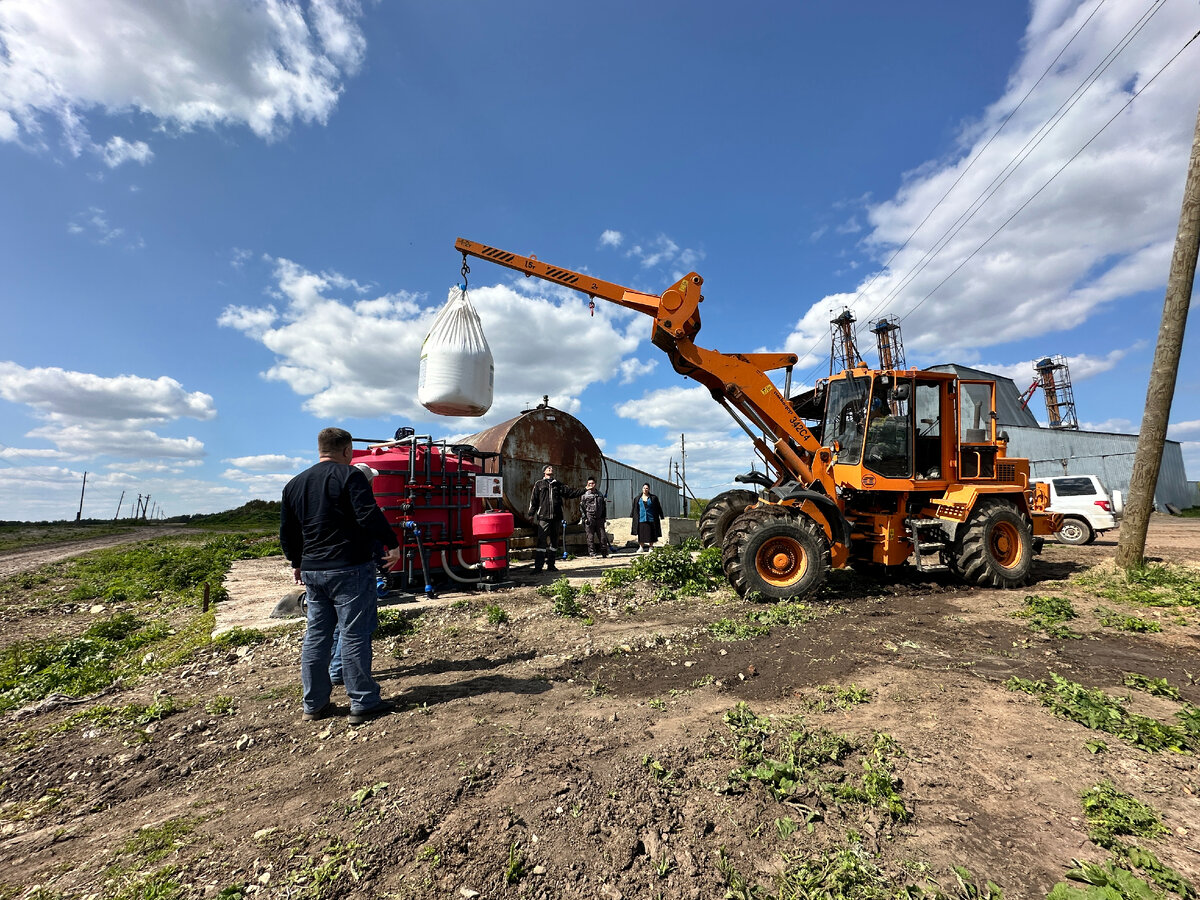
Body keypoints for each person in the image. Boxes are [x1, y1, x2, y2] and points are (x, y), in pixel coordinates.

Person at [281, 428, 401, 726]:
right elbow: (368, 514)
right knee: (354, 633)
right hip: (349, 567)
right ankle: (363, 701)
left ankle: (314, 704)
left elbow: (288, 532)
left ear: (319, 448)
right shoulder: (350, 476)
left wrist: (297, 561)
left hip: (312, 570)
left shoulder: (294, 484)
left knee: (317, 635)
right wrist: (393, 543)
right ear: (347, 450)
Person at [526, 464, 583, 572]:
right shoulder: (539, 484)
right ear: (544, 471)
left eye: (551, 468)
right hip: (544, 517)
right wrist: (531, 514)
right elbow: (534, 501)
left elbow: (570, 493)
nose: (550, 469)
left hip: (556, 518)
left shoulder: (558, 484)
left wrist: (584, 490)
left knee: (554, 542)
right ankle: (538, 567)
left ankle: (551, 565)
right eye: (548, 468)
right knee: (541, 542)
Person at [630, 483, 664, 553]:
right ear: (642, 489)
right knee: (641, 534)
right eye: (644, 488)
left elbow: (658, 507)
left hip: (651, 518)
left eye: (646, 488)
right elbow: (634, 508)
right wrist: (632, 515)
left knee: (651, 534)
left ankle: (651, 547)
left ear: (649, 489)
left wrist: (661, 515)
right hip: (641, 519)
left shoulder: (654, 498)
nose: (645, 490)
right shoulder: (637, 498)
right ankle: (641, 547)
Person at [579, 477, 608, 558]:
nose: (591, 485)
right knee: (590, 537)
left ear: (595, 484)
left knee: (602, 537)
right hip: (589, 517)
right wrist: (584, 518)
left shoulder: (600, 494)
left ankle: (604, 553)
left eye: (592, 483)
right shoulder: (585, 495)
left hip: (599, 518)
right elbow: (581, 507)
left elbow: (603, 506)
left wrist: (604, 517)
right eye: (589, 484)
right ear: (587, 484)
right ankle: (592, 553)